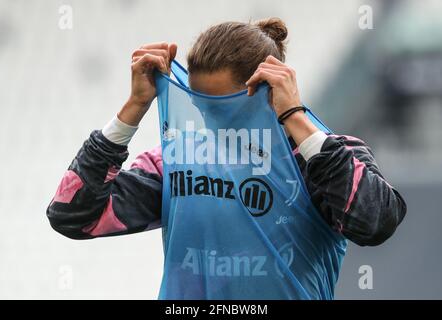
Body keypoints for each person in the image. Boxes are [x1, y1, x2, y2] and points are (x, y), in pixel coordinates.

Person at [46, 18, 406, 299]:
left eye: (223, 107)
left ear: (267, 92)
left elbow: (376, 222)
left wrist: (294, 115)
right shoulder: (178, 161)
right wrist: (133, 109)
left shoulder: (321, 156)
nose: (208, 119)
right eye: (201, 106)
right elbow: (72, 216)